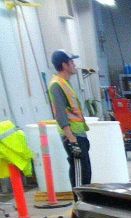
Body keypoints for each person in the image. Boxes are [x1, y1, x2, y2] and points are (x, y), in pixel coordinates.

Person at [48, 49, 91, 186]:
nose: (74, 64)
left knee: (85, 172)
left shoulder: (65, 83)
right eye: (71, 62)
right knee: (79, 174)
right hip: (73, 136)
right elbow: (60, 113)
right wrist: (72, 140)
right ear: (64, 65)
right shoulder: (56, 84)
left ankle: (84, 203)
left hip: (78, 134)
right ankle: (78, 203)